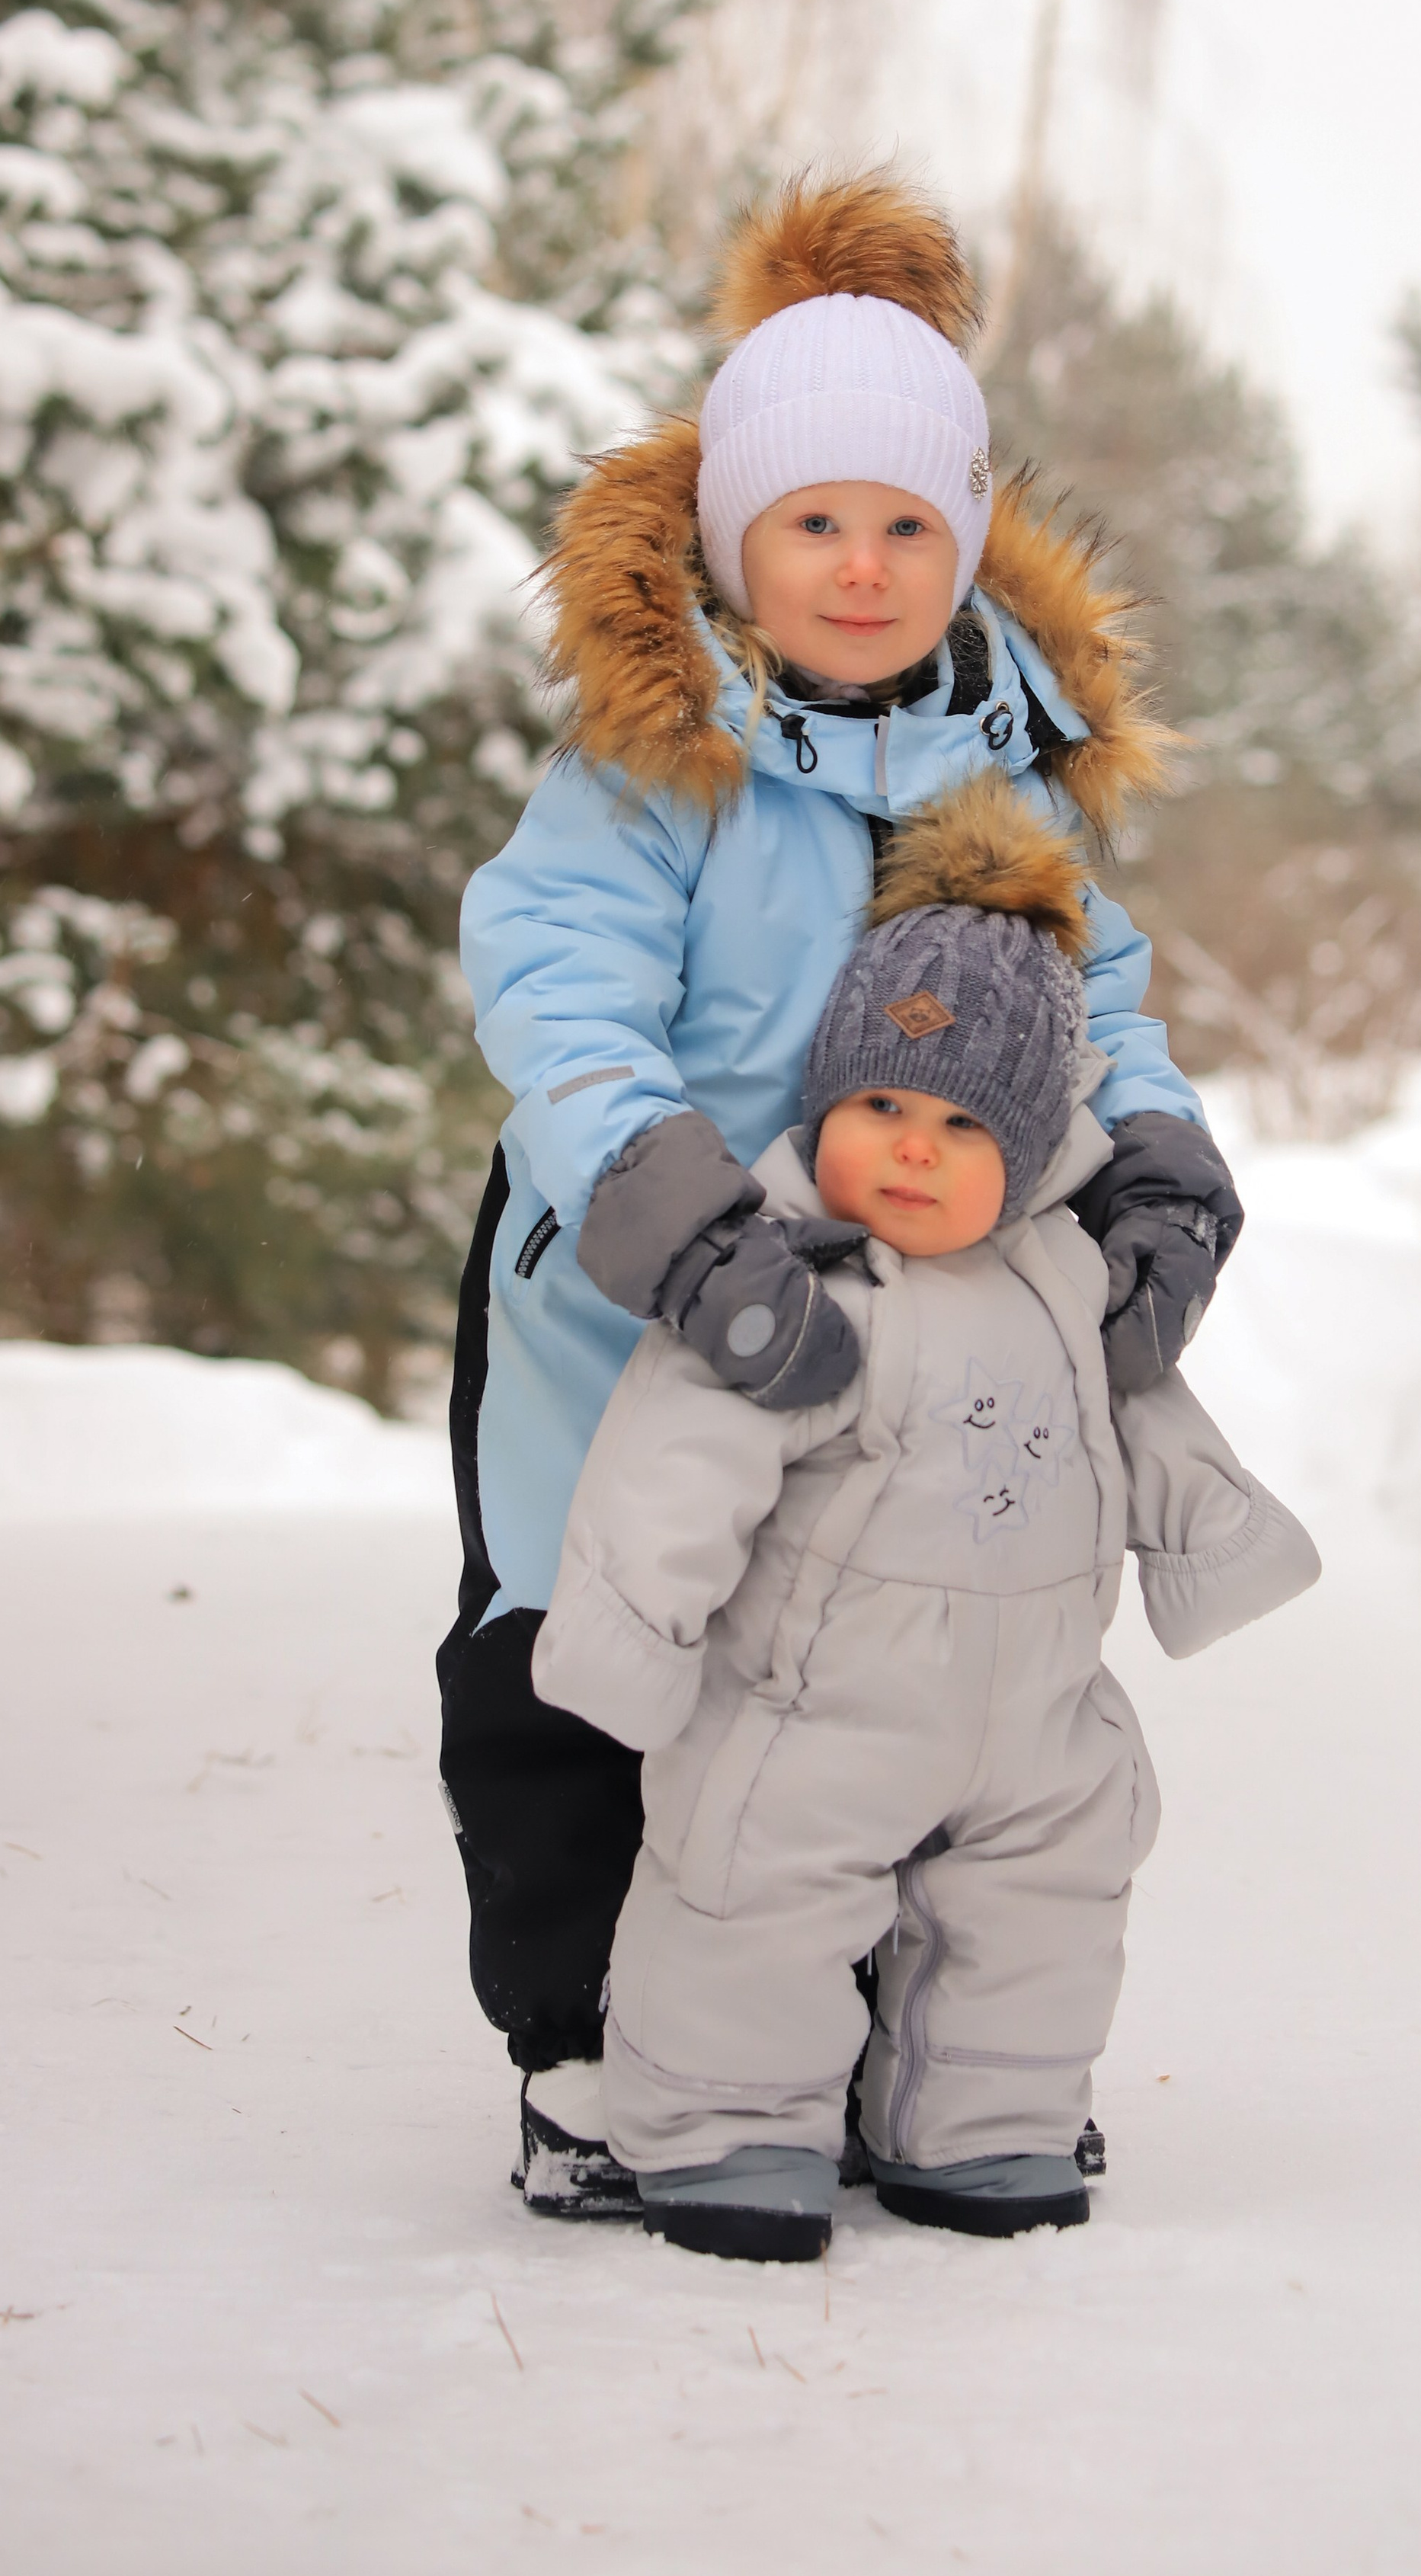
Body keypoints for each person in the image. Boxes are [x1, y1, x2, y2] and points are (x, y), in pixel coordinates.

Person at [439, 172, 1250, 2216]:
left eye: (909, 524)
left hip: (916, 1320)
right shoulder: (653, 768)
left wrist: (1151, 1165)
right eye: (817, 522)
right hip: (626, 1294)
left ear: (964, 539)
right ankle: (585, 2058)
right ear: (737, 539)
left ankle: (889, 2052)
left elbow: (1100, 1003)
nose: (865, 568)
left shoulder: (1014, 774)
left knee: (886, 1676)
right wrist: (675, 1206)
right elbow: (558, 987)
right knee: (593, 1663)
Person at [531, 786, 1321, 2260]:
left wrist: (1212, 1549)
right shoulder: (796, 1293)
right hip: (814, 1709)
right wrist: (632, 1639)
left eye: (961, 1126)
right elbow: (670, 1469)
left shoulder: (1070, 1284)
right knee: (749, 1895)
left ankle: (984, 2128)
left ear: (1027, 1158)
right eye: (879, 1107)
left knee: (1041, 1911)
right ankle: (725, 2134)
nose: (909, 1150)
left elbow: (1146, 1418)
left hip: (1034, 1716)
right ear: (824, 1108)